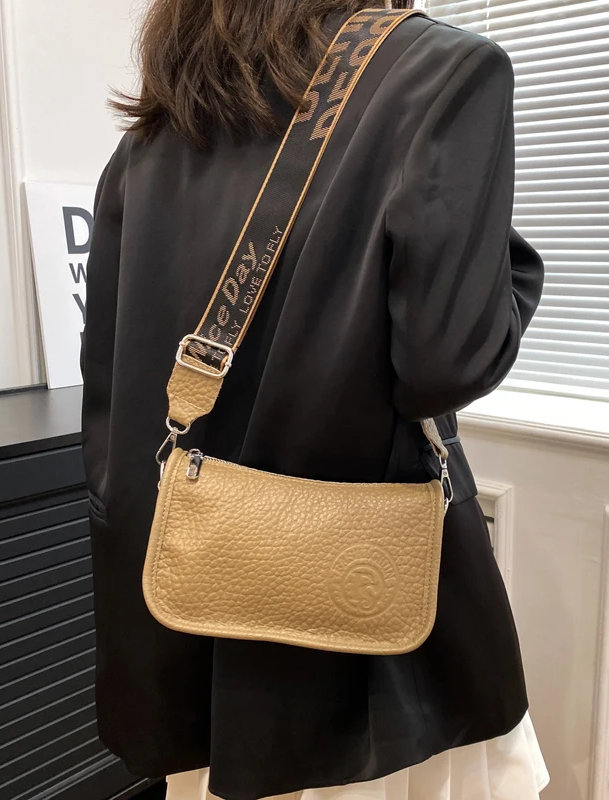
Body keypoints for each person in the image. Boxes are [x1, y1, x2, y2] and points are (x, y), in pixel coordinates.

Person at [81, 1, 547, 798]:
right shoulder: (442, 72)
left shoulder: (157, 133)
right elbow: (449, 363)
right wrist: (516, 270)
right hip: (371, 664)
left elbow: (112, 393)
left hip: (189, 627)